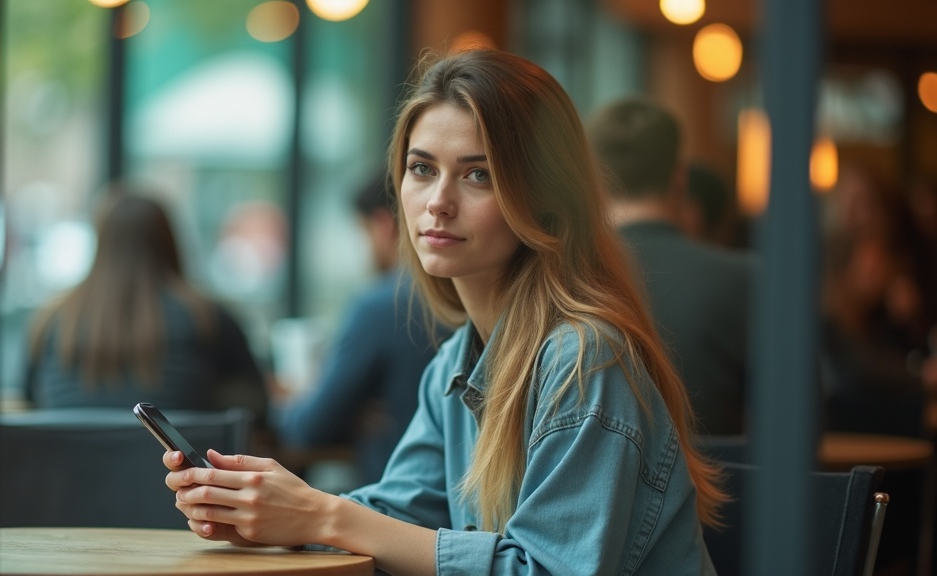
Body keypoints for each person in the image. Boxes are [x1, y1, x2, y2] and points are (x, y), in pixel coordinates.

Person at [162, 49, 725, 575]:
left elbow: (545, 568)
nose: (437, 202)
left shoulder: (584, 358)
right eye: (422, 168)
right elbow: (396, 514)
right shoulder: (458, 361)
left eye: (479, 174)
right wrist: (270, 516)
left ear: (546, 198)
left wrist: (321, 517)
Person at [25, 188, 269, 428]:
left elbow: (33, 399)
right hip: (174, 456)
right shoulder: (207, 317)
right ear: (169, 241)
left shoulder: (50, 321)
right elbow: (255, 407)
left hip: (69, 455)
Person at [585, 96, 756, 436]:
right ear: (680, 177)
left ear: (592, 179)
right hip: (721, 472)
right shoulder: (748, 280)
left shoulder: (564, 279)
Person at [272, 173, 446, 486]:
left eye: (364, 233)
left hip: (392, 497)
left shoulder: (381, 305)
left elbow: (308, 428)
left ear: (383, 225)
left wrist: (300, 403)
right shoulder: (468, 298)